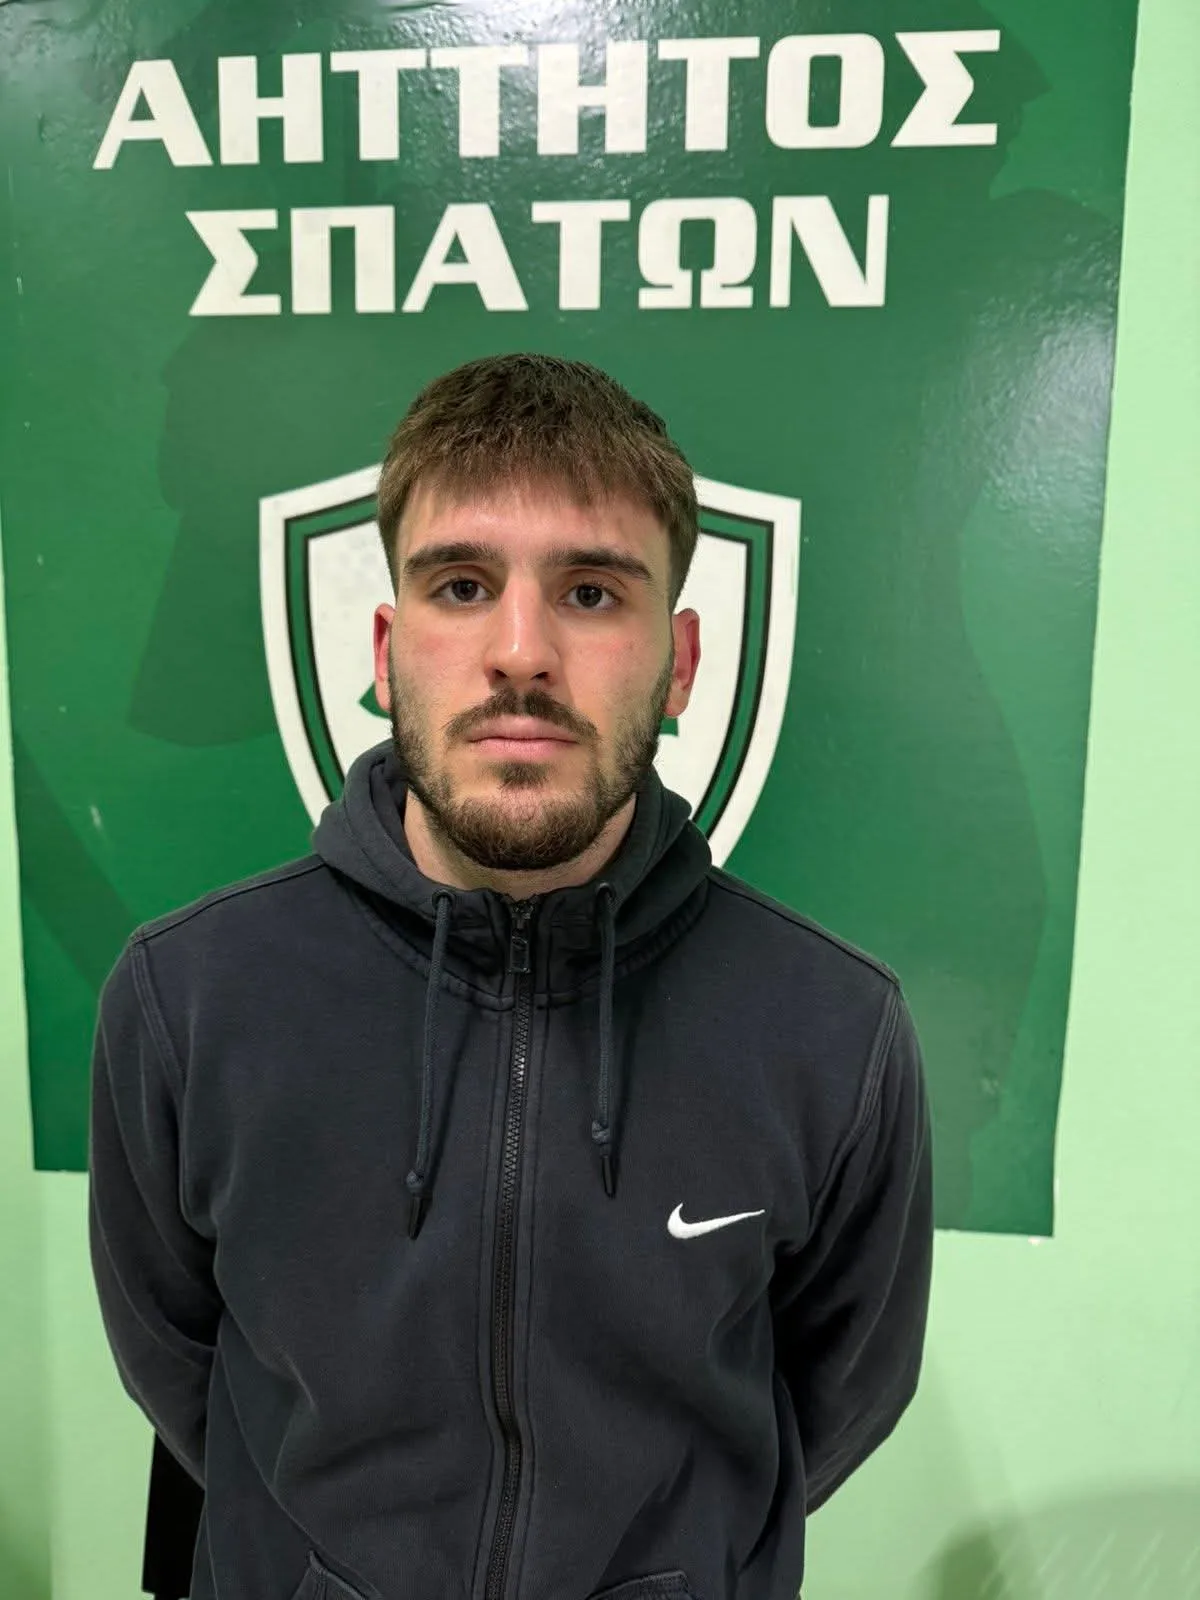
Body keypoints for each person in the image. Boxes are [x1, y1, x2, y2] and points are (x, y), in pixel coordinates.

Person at [89, 353, 934, 1600]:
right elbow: (178, 1362)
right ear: (388, 650)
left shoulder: (836, 1030)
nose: (522, 652)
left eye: (591, 592)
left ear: (682, 661)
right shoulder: (188, 997)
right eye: (463, 585)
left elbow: (839, 1390)